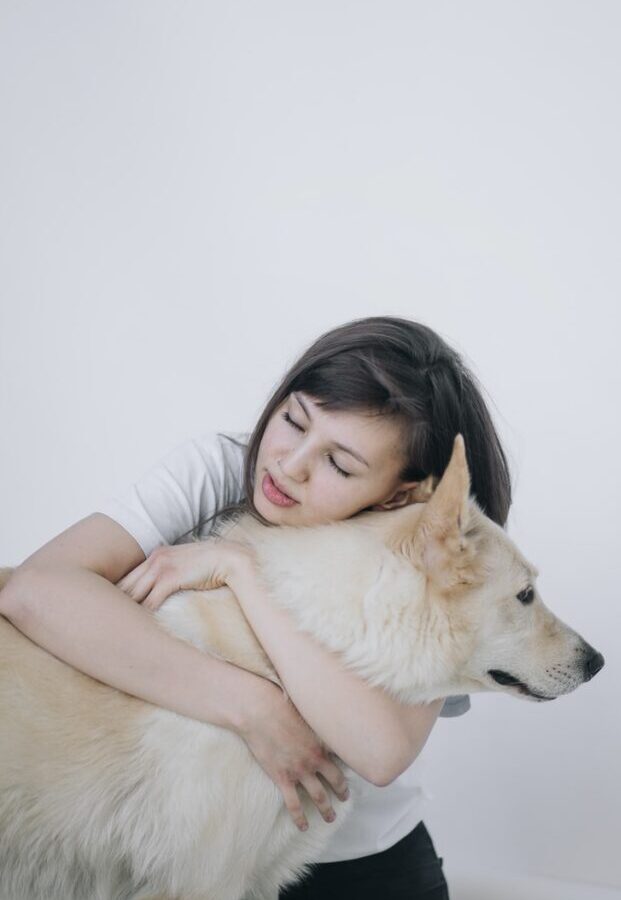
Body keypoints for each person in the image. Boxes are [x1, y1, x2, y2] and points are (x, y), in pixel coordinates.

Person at [1, 315, 512, 900]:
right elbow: (36, 591)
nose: (289, 465)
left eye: (340, 465)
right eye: (294, 420)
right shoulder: (217, 470)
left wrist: (239, 570)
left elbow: (380, 750)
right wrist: (253, 707)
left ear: (401, 495)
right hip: (195, 849)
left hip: (362, 871)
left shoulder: (430, 554)